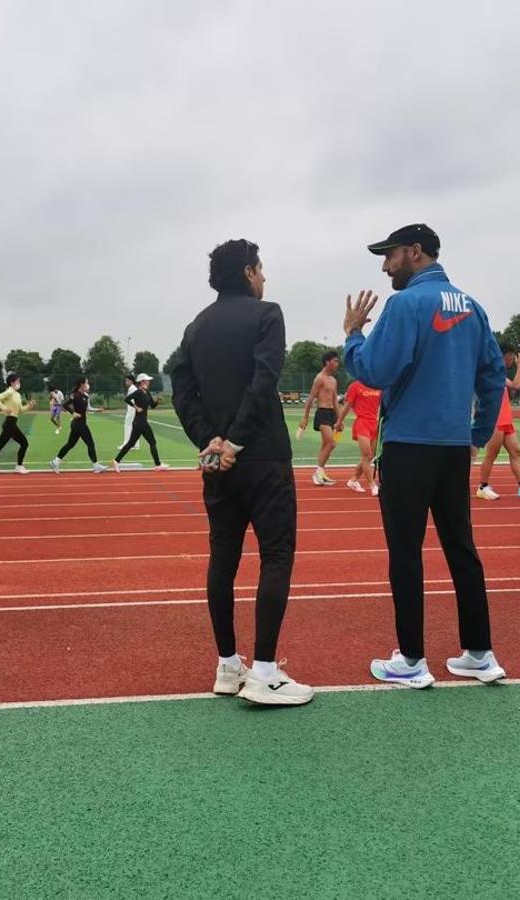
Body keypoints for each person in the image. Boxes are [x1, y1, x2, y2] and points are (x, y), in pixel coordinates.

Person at [343, 223, 508, 689]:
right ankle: (479, 652)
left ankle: (412, 660)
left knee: (405, 552)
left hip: (409, 448)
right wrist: (474, 433)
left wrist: (354, 334)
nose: (384, 265)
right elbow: (494, 378)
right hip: (454, 449)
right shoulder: (473, 307)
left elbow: (373, 370)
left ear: (415, 252)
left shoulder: (406, 304)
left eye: (389, 255)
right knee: (462, 548)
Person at [171, 237, 312, 706]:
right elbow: (264, 379)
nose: (265, 277)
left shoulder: (196, 327)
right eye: (262, 269)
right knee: (275, 556)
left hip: (217, 464)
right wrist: (234, 439)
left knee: (223, 559)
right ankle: (266, 672)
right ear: (249, 272)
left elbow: (181, 390)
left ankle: (228, 665)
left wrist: (209, 441)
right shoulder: (267, 313)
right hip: (264, 456)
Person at [476, 344, 520, 500]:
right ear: (505, 355)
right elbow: (515, 385)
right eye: (512, 357)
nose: (513, 360)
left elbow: (513, 386)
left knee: (515, 451)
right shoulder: (492, 371)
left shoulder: (498, 372)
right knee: (491, 454)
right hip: (495, 417)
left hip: (505, 416)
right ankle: (483, 487)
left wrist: (519, 367)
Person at [297, 352, 343, 485]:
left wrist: (339, 419)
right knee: (331, 443)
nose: (337, 364)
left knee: (326, 444)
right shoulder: (319, 378)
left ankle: (321, 473)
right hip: (322, 412)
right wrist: (305, 418)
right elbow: (310, 398)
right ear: (327, 362)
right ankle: (318, 473)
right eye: (335, 361)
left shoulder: (333, 380)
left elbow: (335, 401)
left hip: (331, 414)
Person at [50, 377, 110, 473]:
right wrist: (73, 412)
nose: (87, 384)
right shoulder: (75, 395)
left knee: (70, 444)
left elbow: (88, 408)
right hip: (79, 424)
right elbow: (64, 405)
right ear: (82, 384)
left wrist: (98, 410)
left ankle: (55, 461)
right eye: (86, 383)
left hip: (79, 424)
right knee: (90, 443)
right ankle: (96, 465)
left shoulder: (85, 395)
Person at [113, 374, 169, 472]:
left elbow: (152, 405)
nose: (149, 382)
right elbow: (126, 399)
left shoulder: (147, 392)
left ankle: (117, 461)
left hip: (142, 422)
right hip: (139, 422)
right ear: (142, 381)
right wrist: (136, 407)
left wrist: (157, 401)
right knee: (149, 442)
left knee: (134, 443)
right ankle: (158, 464)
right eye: (147, 380)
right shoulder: (138, 392)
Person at [335, 377, 381, 495]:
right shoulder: (355, 386)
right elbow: (347, 406)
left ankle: (353, 480)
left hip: (374, 423)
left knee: (370, 456)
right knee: (367, 454)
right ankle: (372, 485)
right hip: (362, 423)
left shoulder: (379, 384)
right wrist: (339, 421)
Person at [0, 372, 35, 475]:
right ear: (12, 383)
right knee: (24, 443)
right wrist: (4, 408)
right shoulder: (9, 392)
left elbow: (20, 410)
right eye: (17, 381)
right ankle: (19, 466)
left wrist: (29, 406)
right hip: (9, 423)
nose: (19, 383)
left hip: (11, 423)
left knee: (0, 445)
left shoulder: (17, 395)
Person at [119, 374, 138, 450]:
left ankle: (127, 444)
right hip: (133, 409)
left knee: (128, 425)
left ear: (131, 381)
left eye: (127, 380)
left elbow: (131, 400)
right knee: (134, 427)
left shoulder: (132, 388)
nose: (125, 382)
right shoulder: (132, 388)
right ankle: (135, 445)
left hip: (132, 410)